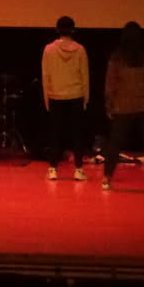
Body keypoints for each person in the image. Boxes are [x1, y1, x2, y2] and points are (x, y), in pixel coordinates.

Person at [103, 22, 144, 192]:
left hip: (122, 105)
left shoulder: (117, 57)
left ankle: (107, 179)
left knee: (114, 144)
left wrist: (109, 104)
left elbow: (110, 82)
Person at [41, 16, 90, 180]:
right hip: (76, 95)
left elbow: (45, 76)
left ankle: (53, 169)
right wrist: (86, 97)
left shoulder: (49, 50)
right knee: (77, 134)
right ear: (73, 30)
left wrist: (46, 98)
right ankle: (78, 169)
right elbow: (85, 76)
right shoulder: (80, 50)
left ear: (57, 30)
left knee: (55, 134)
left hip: (55, 95)